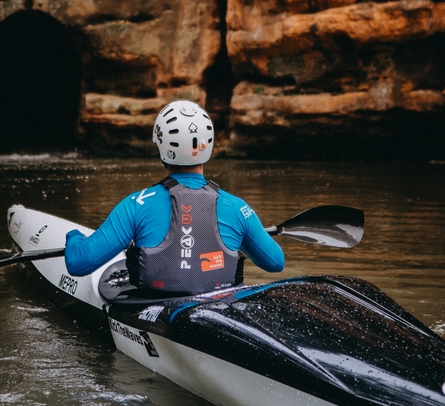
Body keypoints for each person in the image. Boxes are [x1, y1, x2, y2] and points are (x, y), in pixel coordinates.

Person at [64, 99, 285, 295]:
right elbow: (275, 262)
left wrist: (74, 236)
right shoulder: (237, 208)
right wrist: (241, 238)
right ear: (208, 145)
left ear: (160, 144)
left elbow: (78, 263)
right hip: (216, 308)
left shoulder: (136, 204)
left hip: (152, 310)